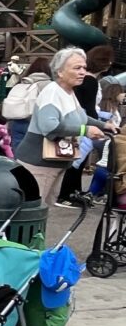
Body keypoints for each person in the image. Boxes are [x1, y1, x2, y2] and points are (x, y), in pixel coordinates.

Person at [14, 47, 114, 207]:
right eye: (77, 68)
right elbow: (49, 126)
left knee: (41, 211)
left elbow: (82, 117)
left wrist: (104, 125)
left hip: (55, 163)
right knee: (31, 212)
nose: (82, 72)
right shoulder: (53, 93)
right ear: (60, 72)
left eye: (84, 67)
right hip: (39, 163)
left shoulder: (67, 92)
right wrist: (85, 131)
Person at [57, 45, 115, 208]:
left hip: (77, 121)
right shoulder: (90, 81)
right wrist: (100, 125)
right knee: (77, 160)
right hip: (84, 125)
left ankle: (73, 191)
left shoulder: (85, 81)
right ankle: (66, 194)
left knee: (77, 160)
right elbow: (89, 108)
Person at [2, 57, 51, 151]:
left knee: (18, 156)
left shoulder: (22, 83)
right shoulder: (48, 85)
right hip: (35, 125)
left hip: (15, 123)